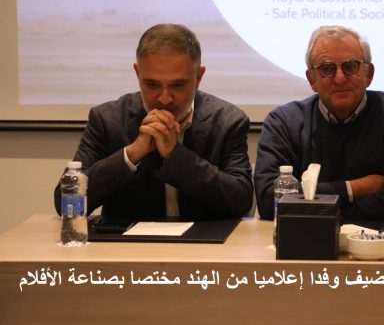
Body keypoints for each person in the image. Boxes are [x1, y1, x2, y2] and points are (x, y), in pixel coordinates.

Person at [53, 23, 254, 220]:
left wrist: (175, 155)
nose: (164, 99)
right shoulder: (107, 119)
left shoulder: (228, 121)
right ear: (137, 73)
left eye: (178, 85)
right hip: (128, 241)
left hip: (205, 241)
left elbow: (241, 201)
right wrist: (132, 154)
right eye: (152, 84)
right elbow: (66, 203)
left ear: (198, 77)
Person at [254, 25, 384, 220]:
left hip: (380, 237)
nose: (340, 78)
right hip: (307, 237)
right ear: (312, 80)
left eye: (350, 66)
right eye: (327, 69)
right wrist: (354, 188)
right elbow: (270, 201)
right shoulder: (283, 122)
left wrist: (318, 211)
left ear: (369, 74)